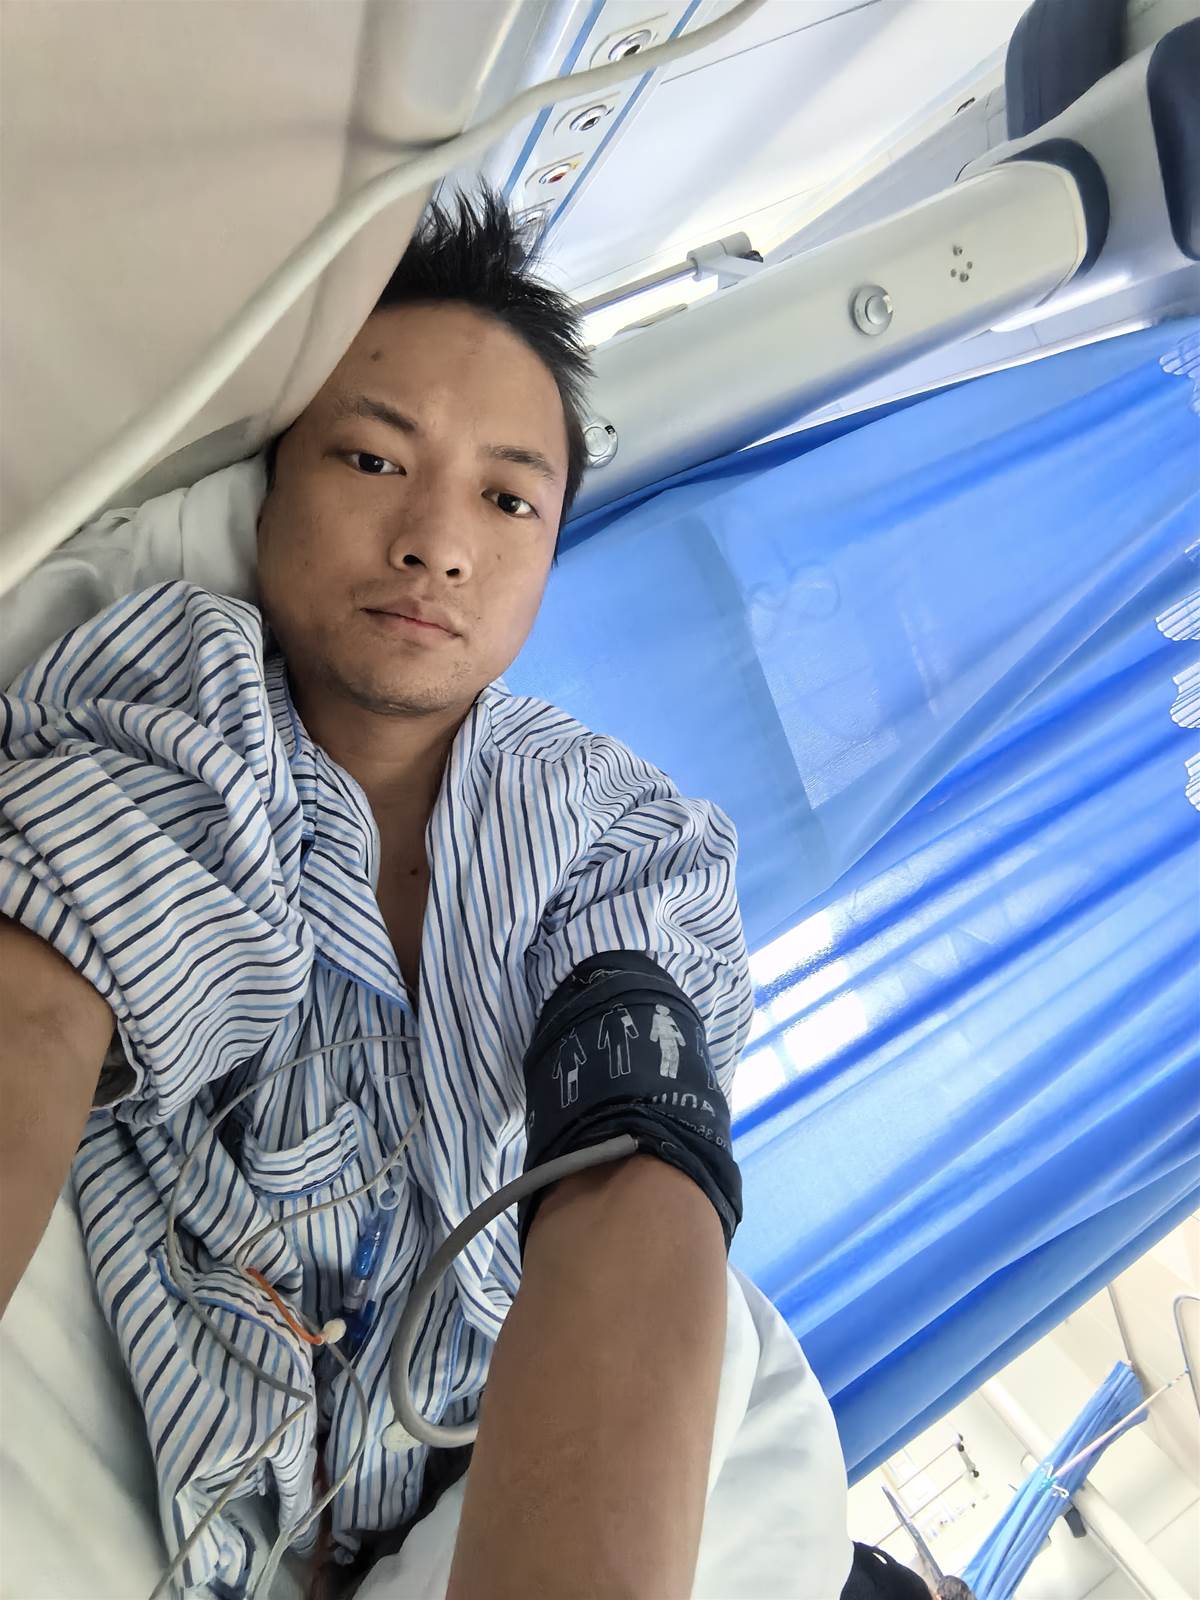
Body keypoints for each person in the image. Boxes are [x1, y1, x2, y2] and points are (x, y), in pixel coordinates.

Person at [0, 192, 769, 1596]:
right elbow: (36, 994)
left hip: (496, 1475)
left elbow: (634, 1165)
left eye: (508, 499)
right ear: (269, 488)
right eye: (371, 458)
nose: (436, 543)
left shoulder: (615, 829)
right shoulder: (190, 698)